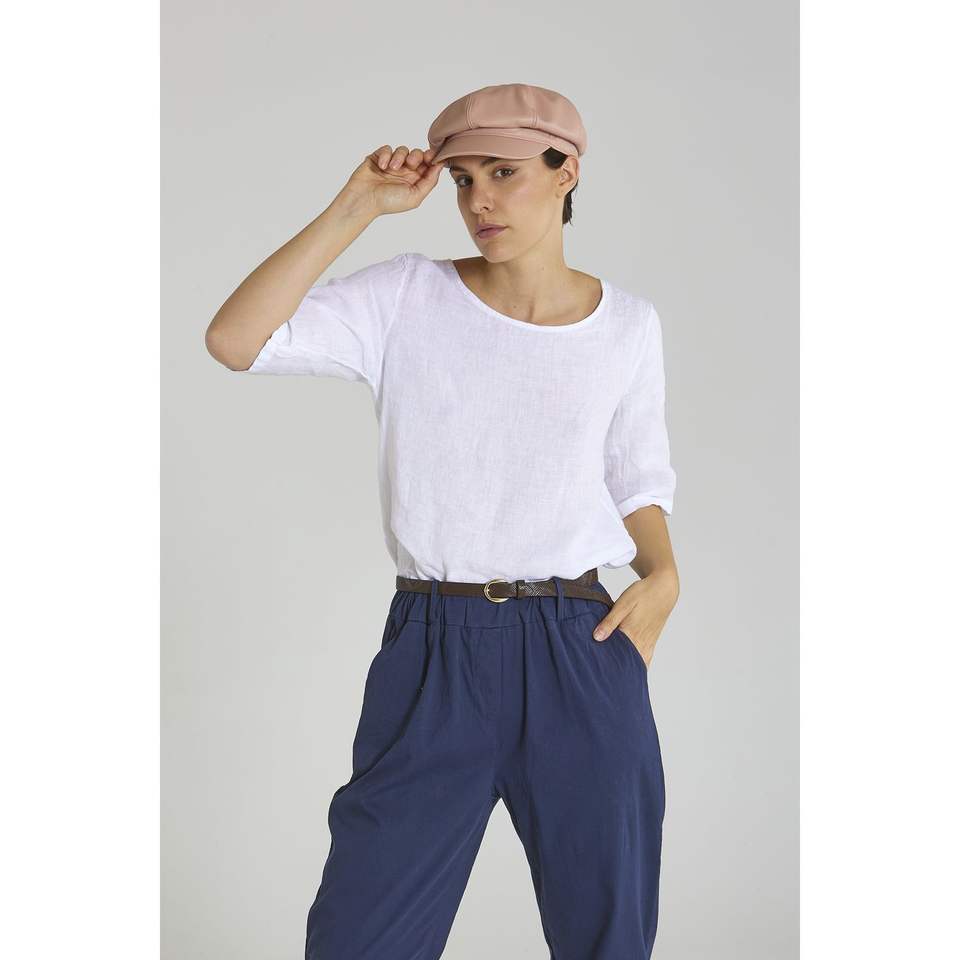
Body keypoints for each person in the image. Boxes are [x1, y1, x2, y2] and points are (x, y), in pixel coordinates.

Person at [206, 83, 679, 960]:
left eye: (503, 173)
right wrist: (357, 206)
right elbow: (236, 340)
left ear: (566, 171)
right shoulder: (406, 297)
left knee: (608, 938)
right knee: (360, 938)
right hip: (434, 645)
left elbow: (635, 473)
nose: (479, 201)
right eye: (463, 180)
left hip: (579, 645)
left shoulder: (627, 326)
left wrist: (664, 575)